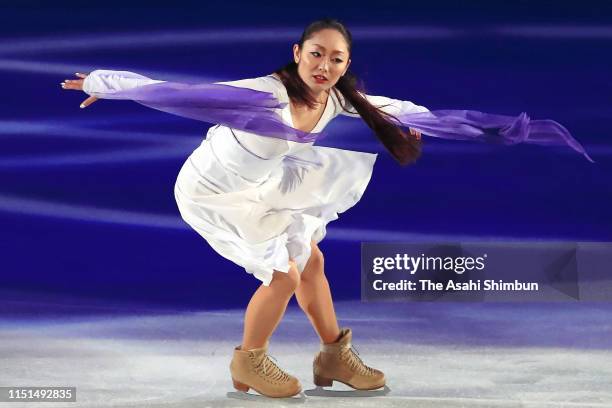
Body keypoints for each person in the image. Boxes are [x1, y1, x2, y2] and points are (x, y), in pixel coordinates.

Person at [60, 18, 591, 399]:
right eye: (317, 53)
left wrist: (479, 128)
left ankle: (334, 355)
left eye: (336, 58)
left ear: (346, 65)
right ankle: (248, 361)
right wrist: (103, 85)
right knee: (283, 275)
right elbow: (175, 92)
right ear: (298, 52)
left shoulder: (343, 102)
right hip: (213, 193)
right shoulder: (261, 95)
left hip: (267, 191)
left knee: (311, 262)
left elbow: (413, 114)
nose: (325, 65)